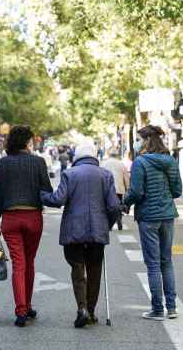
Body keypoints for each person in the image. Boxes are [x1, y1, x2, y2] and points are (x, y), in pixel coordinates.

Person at [41, 140, 120, 328]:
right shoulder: (105, 175)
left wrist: (41, 195)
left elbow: (58, 199)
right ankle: (91, 312)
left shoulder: (69, 174)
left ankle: (82, 308)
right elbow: (114, 206)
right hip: (97, 231)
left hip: (73, 230)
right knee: (94, 270)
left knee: (77, 268)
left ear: (77, 157)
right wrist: (106, 225)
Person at [0, 125, 53, 327]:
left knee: (19, 264)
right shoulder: (38, 162)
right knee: (30, 261)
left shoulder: (2, 164)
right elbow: (47, 190)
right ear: (28, 142)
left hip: (9, 218)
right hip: (33, 217)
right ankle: (27, 304)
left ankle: (21, 310)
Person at [124, 125, 182, 321]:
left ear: (147, 140)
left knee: (153, 265)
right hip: (167, 216)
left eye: (139, 139)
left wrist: (125, 202)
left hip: (148, 217)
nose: (136, 143)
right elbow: (177, 191)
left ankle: (157, 309)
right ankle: (172, 308)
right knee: (167, 261)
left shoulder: (141, 162)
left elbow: (136, 192)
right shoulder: (171, 161)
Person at [102, 148, 129, 230]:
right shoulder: (121, 164)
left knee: (107, 206)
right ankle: (119, 220)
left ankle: (109, 223)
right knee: (118, 206)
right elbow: (126, 178)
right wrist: (128, 188)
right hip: (119, 189)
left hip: (107, 189)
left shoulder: (104, 163)